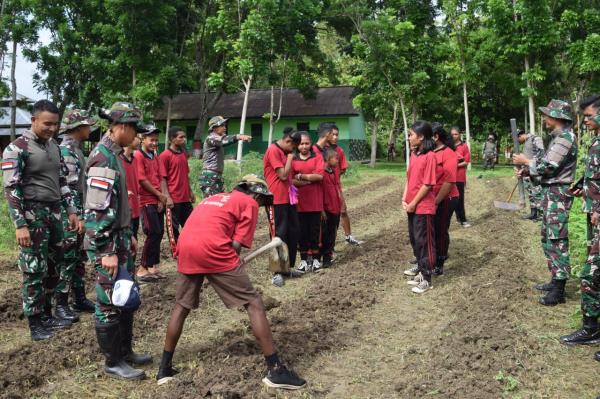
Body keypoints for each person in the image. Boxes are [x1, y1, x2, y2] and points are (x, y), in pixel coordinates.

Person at [156, 175, 306, 390]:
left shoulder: (213, 198)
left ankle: (164, 369)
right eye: (262, 200)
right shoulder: (249, 203)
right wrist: (230, 264)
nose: (261, 205)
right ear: (255, 194)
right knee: (254, 302)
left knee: (182, 306)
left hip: (186, 247)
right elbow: (234, 247)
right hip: (214, 249)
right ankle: (275, 370)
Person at [2, 99, 79, 340]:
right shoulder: (16, 149)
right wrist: (20, 224)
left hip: (55, 213)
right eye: (47, 124)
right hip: (32, 217)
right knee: (34, 269)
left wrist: (72, 211)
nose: (52, 129)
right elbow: (11, 188)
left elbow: (62, 181)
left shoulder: (54, 147)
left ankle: (47, 314)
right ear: (33, 120)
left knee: (54, 266)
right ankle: (35, 322)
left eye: (55, 124)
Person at [86, 102, 151, 380]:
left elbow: (118, 204)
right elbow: (97, 210)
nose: (137, 134)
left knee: (124, 296)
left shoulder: (116, 156)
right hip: (108, 245)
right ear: (122, 127)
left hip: (120, 239)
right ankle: (113, 362)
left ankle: (125, 352)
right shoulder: (102, 158)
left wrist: (128, 236)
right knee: (108, 300)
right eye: (135, 129)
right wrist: (106, 251)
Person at [513, 99, 578, 306]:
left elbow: (549, 166)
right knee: (548, 236)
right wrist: (527, 170)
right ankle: (555, 279)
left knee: (556, 238)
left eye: (548, 115)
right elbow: (545, 167)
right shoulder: (558, 138)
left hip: (558, 194)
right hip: (551, 192)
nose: (544, 118)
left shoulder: (565, 139)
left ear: (558, 118)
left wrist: (526, 162)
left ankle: (559, 289)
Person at [561, 94, 600, 349]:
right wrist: (582, 188)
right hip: (592, 214)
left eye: (589, 115)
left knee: (590, 274)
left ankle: (590, 329)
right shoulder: (596, 140)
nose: (585, 120)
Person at [57, 109, 98, 315]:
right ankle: (62, 303)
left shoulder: (76, 150)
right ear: (78, 128)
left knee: (79, 257)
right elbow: (70, 189)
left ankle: (79, 298)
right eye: (87, 125)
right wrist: (79, 216)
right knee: (68, 257)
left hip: (79, 212)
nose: (90, 129)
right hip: (71, 216)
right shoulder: (67, 152)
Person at [263, 128, 303, 286]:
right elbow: (283, 175)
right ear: (288, 141)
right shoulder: (273, 150)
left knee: (293, 232)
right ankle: (277, 272)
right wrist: (290, 158)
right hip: (276, 200)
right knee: (279, 235)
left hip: (289, 199)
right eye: (293, 147)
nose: (293, 150)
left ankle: (288, 267)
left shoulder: (285, 153)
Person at [402, 121, 437, 294]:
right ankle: (421, 272)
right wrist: (404, 198)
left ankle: (427, 278)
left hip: (423, 207)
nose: (408, 137)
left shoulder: (430, 156)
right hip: (411, 206)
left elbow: (428, 184)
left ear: (421, 137)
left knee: (425, 242)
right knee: (415, 240)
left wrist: (414, 202)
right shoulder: (414, 154)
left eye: (411, 134)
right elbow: (409, 179)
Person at [134, 124, 167, 282]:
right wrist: (159, 195)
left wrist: (161, 198)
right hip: (145, 200)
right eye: (151, 140)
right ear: (142, 139)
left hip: (156, 199)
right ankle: (142, 268)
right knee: (152, 232)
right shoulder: (138, 156)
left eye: (156, 140)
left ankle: (152, 266)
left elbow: (159, 177)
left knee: (159, 233)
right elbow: (141, 179)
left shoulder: (155, 155)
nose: (154, 143)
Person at [292, 132, 324, 273]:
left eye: (306, 143)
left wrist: (301, 176)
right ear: (297, 145)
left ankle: (316, 259)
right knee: (301, 232)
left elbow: (319, 176)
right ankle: (304, 260)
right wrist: (308, 181)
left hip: (315, 202)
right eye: (301, 144)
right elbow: (291, 180)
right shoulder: (292, 159)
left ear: (311, 143)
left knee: (315, 232)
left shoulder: (317, 157)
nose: (304, 146)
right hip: (299, 203)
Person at [431, 123, 459, 275]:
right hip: (432, 198)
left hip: (446, 198)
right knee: (430, 229)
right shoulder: (429, 152)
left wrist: (436, 202)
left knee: (441, 230)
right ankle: (429, 256)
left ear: (436, 137)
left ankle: (439, 262)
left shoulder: (448, 154)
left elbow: (449, 182)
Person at [200, 116, 251, 197]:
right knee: (213, 203)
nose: (224, 127)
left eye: (225, 125)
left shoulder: (218, 138)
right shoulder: (211, 138)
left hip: (215, 175)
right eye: (222, 125)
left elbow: (225, 138)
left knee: (220, 202)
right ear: (214, 128)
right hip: (209, 176)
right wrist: (238, 136)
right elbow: (224, 140)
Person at [159, 126, 195, 241]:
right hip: (173, 199)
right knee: (173, 229)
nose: (184, 139)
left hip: (185, 198)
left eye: (184, 137)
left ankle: (188, 249)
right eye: (181, 137)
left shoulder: (183, 154)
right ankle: (176, 253)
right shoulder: (165, 156)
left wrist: (191, 192)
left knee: (191, 226)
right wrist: (167, 197)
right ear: (172, 139)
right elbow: (162, 178)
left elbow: (185, 175)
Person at [330, 125, 363, 246]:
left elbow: (343, 168)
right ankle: (328, 243)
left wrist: (335, 177)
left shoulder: (339, 151)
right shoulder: (321, 150)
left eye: (336, 134)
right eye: (332, 134)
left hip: (336, 186)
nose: (335, 137)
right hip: (324, 188)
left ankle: (348, 236)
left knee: (343, 210)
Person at [320, 149, 342, 268]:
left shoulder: (333, 172)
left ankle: (329, 254)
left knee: (332, 232)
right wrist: (322, 209)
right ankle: (325, 259)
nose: (337, 160)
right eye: (335, 158)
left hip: (335, 208)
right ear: (328, 159)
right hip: (327, 208)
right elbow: (320, 193)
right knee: (326, 234)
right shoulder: (322, 173)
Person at [517, 129, 545, 221]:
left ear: (520, 135)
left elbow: (541, 155)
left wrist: (531, 165)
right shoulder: (526, 143)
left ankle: (541, 215)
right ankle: (533, 213)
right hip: (528, 172)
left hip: (536, 172)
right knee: (531, 194)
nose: (518, 142)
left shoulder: (535, 139)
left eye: (518, 139)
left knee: (538, 193)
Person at [119, 135, 141, 240]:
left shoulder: (135, 160)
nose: (139, 140)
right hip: (124, 209)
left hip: (135, 207)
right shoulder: (117, 160)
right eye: (137, 136)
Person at [451, 127, 471, 227]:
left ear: (459, 135)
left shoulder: (464, 147)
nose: (454, 136)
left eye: (456, 134)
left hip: (459, 177)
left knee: (460, 199)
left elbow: (466, 162)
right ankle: (458, 217)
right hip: (449, 177)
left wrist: (454, 165)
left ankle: (463, 219)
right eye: (452, 134)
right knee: (452, 199)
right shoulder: (448, 146)